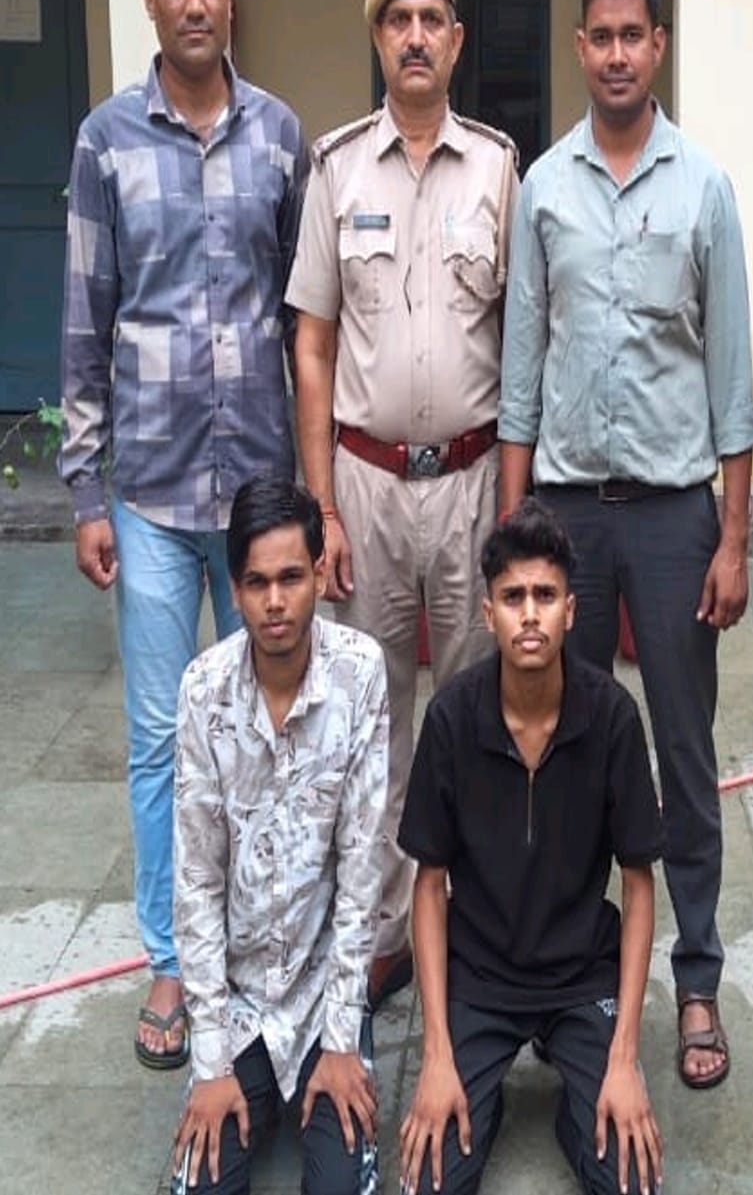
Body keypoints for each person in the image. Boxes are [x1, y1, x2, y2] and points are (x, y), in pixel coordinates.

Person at [498, 0, 753, 1089]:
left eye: (632, 36)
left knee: (684, 751)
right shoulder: (543, 188)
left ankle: (696, 979)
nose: (615, 55)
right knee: (558, 746)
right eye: (598, 36)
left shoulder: (704, 188)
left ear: (659, 45)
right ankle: (565, 969)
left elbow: (733, 386)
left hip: (670, 521)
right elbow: (519, 374)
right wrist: (514, 536)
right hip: (564, 518)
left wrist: (735, 537)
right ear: (580, 46)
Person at [59, 0, 308, 1069]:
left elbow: (307, 322)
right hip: (153, 496)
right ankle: (170, 957)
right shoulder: (104, 142)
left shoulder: (280, 137)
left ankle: (260, 939)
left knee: (269, 730)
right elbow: (84, 320)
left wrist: (314, 489)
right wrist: (85, 491)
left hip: (260, 500)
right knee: (163, 739)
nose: (197, 2)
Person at [286, 0, 518, 1012]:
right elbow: (313, 344)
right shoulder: (337, 168)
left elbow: (521, 340)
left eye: (433, 21)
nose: (416, 37)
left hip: (470, 481)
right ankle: (385, 932)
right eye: (398, 21)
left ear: (457, 41)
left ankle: (471, 920)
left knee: (475, 708)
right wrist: (322, 506)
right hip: (367, 486)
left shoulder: (498, 168)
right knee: (373, 717)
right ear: (378, 39)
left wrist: (512, 504)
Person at [397, 499, 663, 1195]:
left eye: (545, 595)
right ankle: (484, 1093)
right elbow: (428, 884)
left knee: (630, 1178)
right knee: (431, 1178)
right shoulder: (452, 718)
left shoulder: (612, 717)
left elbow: (639, 882)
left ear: (571, 611)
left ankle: (576, 1106)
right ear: (488, 613)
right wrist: (435, 1054)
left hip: (582, 973)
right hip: (480, 973)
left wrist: (624, 1059)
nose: (530, 614)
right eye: (513, 597)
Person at [170, 476, 387, 1195]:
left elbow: (363, 867)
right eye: (257, 582)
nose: (274, 602)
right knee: (201, 1184)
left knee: (339, 1185)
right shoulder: (203, 688)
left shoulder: (360, 673)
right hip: (237, 1002)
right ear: (232, 589)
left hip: (326, 994)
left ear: (320, 575)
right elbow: (197, 883)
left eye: (291, 577)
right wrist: (210, 1063)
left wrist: (342, 1039)